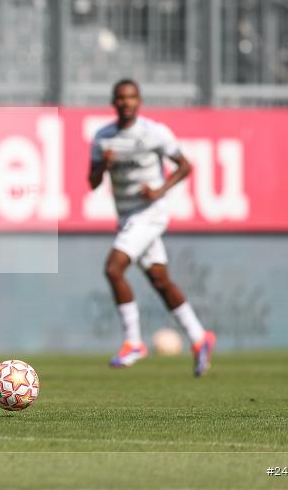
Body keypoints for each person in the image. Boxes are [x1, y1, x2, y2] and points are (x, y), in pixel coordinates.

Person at [88, 79, 216, 377]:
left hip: (151, 211)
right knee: (160, 280)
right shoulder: (103, 138)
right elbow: (92, 183)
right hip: (128, 215)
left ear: (139, 101)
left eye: (131, 97)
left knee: (113, 268)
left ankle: (133, 341)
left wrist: (161, 190)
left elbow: (185, 165)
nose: (126, 102)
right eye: (121, 98)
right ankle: (199, 337)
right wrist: (102, 166)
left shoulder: (154, 133)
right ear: (114, 102)